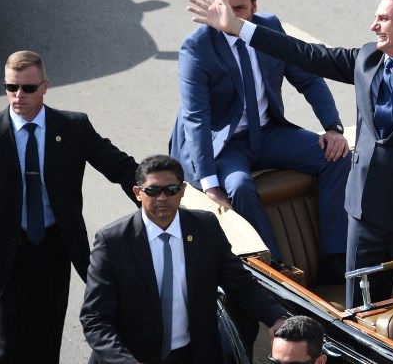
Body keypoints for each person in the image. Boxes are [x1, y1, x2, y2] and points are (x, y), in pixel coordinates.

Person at [187, 0, 393, 308]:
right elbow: (304, 54)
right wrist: (239, 27)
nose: (373, 26)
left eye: (382, 18)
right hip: (363, 220)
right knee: (360, 314)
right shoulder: (367, 59)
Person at [170, 0, 350, 272]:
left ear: (254, 6)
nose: (226, 15)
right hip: (222, 143)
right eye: (220, 6)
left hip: (267, 133)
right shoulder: (197, 47)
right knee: (239, 186)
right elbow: (196, 118)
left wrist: (333, 128)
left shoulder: (270, 28)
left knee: (338, 157)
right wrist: (210, 185)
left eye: (238, 8)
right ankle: (276, 268)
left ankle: (337, 258)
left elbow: (309, 78)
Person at [80, 154, 288, 364]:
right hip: (130, 357)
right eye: (152, 191)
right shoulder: (113, 242)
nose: (162, 198)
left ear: (182, 191)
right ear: (137, 193)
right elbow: (95, 318)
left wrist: (277, 318)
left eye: (170, 190)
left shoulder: (205, 228)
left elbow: (241, 284)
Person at [0, 50, 138, 364]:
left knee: (46, 343)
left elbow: (118, 166)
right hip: (7, 254)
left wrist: (156, 195)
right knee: (7, 348)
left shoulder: (73, 128)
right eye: (11, 87)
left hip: (53, 248)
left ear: (45, 86)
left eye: (28, 88)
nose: (18, 95)